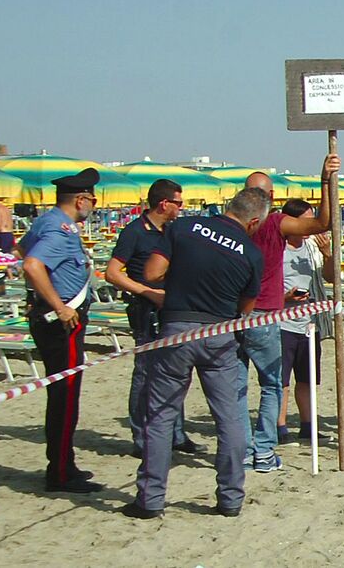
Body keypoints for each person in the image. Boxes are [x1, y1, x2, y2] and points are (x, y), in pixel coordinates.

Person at [122, 187, 270, 519]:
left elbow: (151, 274)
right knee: (229, 418)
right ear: (254, 220)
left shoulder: (184, 228)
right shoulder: (250, 252)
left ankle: (150, 499)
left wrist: (182, 281)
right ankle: (230, 498)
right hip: (218, 333)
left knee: (160, 416)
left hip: (176, 328)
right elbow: (245, 308)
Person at [239, 153, 340, 473]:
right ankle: (264, 446)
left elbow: (321, 231)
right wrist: (324, 180)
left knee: (244, 385)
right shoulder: (271, 223)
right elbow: (323, 222)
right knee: (269, 384)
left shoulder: (239, 224)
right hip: (268, 315)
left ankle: (248, 447)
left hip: (246, 314)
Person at [19, 168, 104, 493]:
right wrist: (57, 304)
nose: (94, 205)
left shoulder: (45, 221)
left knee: (62, 395)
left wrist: (36, 295)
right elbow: (31, 264)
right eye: (92, 200)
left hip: (56, 316)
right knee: (65, 396)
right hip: (62, 322)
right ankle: (60, 471)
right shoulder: (60, 228)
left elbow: (23, 252)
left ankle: (64, 463)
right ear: (81, 200)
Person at [106, 179, 205, 459]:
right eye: (178, 203)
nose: (181, 209)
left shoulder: (173, 232)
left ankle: (176, 433)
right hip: (146, 310)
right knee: (146, 373)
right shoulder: (135, 232)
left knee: (177, 372)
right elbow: (113, 273)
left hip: (173, 309)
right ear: (164, 204)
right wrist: (148, 292)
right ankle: (141, 436)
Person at [276, 199, 336, 446]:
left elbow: (332, 278)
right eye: (307, 219)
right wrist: (286, 297)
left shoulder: (311, 247)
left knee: (308, 378)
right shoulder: (278, 250)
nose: (312, 225)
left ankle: (307, 426)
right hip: (283, 322)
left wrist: (327, 253)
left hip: (308, 322)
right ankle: (280, 428)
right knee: (282, 380)